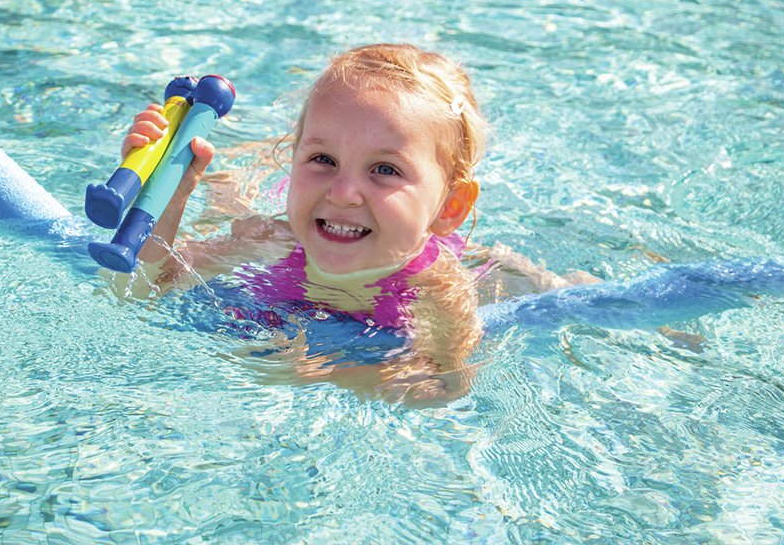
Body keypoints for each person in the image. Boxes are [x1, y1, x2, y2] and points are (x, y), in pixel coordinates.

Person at [112, 43, 590, 406]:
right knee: (231, 202)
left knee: (551, 290)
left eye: (385, 170)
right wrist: (170, 191)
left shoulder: (436, 288)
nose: (342, 193)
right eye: (323, 159)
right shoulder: (272, 240)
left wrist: (323, 371)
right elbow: (145, 285)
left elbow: (445, 382)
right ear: (294, 160)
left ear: (448, 207)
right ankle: (228, 178)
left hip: (480, 270)